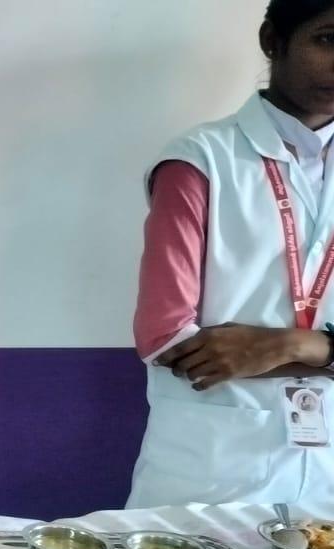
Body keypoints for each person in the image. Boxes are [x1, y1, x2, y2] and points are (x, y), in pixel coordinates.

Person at [132, 0, 334, 508]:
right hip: (213, 471)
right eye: (327, 40)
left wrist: (295, 345)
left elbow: (267, 349)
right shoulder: (198, 162)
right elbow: (165, 337)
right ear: (272, 40)